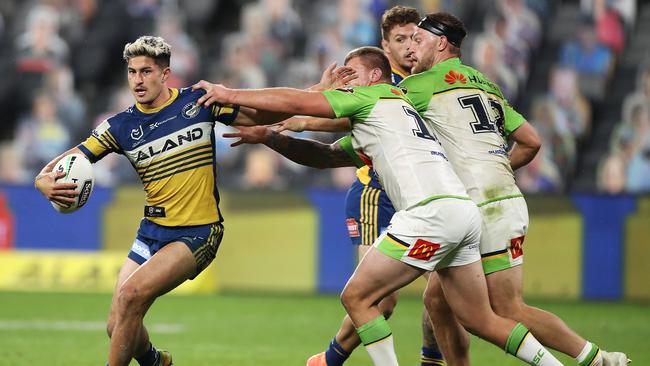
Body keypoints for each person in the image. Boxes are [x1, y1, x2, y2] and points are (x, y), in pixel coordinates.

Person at [194, 46, 565, 366]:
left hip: (429, 212)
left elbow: (296, 102)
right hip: (464, 213)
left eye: (350, 73)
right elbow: (323, 156)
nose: (344, 80)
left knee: (357, 297)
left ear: (375, 75)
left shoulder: (369, 96)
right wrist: (272, 137)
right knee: (480, 317)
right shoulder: (398, 108)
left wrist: (229, 92)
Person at [400, 12, 630, 366]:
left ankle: (598, 359)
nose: (411, 48)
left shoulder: (424, 83)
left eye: (419, 39)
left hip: (482, 207)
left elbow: (377, 112)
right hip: (501, 198)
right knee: (436, 299)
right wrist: (495, 165)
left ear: (441, 43)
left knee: (504, 309)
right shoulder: (485, 82)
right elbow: (531, 141)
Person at [32, 35, 278, 366]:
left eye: (146, 71)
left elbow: (258, 116)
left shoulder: (198, 103)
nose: (138, 80)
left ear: (165, 74)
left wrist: (313, 97)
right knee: (115, 325)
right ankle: (155, 362)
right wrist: (42, 181)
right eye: (132, 72)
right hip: (151, 232)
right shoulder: (120, 126)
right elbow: (67, 161)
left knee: (131, 296)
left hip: (197, 232)